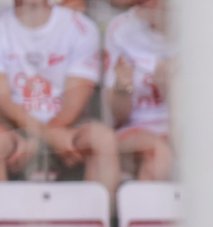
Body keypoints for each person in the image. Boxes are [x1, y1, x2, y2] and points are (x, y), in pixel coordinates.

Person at [0, 0, 120, 191]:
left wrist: (44, 135)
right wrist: (43, 135)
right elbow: (3, 99)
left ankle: (95, 218)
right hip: (13, 129)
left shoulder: (80, 28)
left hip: (65, 128)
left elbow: (74, 104)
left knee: (102, 139)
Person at [104, 0, 171, 181]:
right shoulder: (121, 28)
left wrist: (171, 90)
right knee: (157, 152)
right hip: (136, 131)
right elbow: (118, 117)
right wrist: (122, 87)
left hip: (189, 130)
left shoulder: (208, 26)